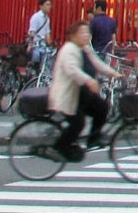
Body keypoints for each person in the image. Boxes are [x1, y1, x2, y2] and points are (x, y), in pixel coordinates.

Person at [49, 19, 120, 160]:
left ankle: (94, 138)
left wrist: (113, 73)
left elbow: (97, 63)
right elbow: (72, 70)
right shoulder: (68, 49)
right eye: (82, 32)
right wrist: (88, 80)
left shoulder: (85, 48)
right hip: (69, 95)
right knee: (78, 123)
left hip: (82, 93)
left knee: (102, 107)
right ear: (73, 35)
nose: (86, 35)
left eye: (87, 32)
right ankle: (57, 148)